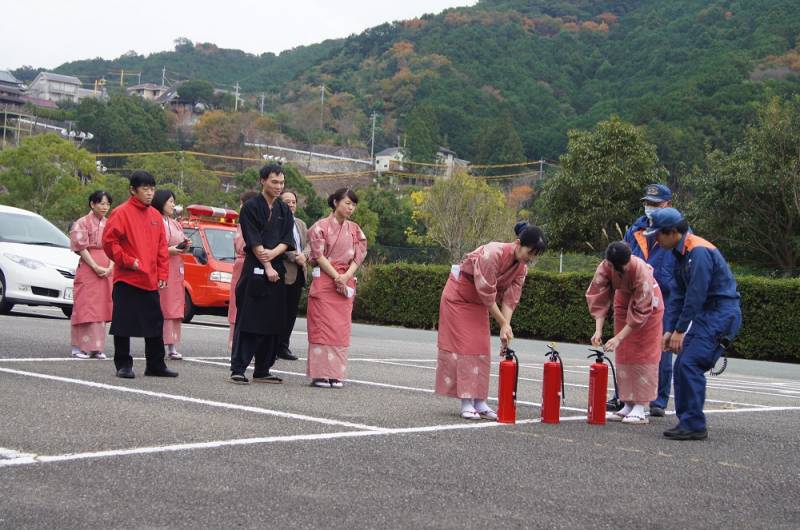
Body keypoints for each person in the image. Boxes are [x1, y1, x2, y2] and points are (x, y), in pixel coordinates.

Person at [647, 208, 742, 440]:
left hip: (721, 313)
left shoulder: (697, 251)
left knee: (689, 363)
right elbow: (678, 296)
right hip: (707, 315)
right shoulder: (679, 253)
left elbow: (696, 294)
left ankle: (694, 424)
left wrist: (680, 330)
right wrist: (669, 330)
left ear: (672, 233)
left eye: (658, 235)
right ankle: (688, 421)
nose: (656, 240)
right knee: (682, 365)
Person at [435, 223, 546, 420]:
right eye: (530, 252)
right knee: (467, 348)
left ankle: (480, 401)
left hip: (480, 303)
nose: (531, 258)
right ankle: (467, 402)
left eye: (535, 255)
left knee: (482, 348)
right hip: (459, 297)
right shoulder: (492, 253)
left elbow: (511, 299)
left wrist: (506, 326)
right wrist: (502, 323)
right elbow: (487, 293)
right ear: (518, 243)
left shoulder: (521, 268)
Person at [102, 171, 177, 379]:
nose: (150, 193)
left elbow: (162, 248)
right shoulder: (120, 212)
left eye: (152, 189)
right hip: (127, 278)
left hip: (150, 279)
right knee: (123, 323)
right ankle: (123, 365)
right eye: (145, 189)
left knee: (155, 323)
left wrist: (162, 273)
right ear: (132, 190)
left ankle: (155, 364)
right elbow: (109, 243)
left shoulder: (155, 215)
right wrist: (128, 261)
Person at [229, 164, 295, 385]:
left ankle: (263, 369)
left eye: (281, 183)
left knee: (273, 321)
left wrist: (273, 256)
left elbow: (287, 240)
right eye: (274, 182)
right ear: (262, 181)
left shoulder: (284, 210)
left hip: (276, 268)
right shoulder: (250, 207)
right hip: (255, 269)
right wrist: (267, 265)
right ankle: (238, 368)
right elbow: (253, 239)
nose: (278, 186)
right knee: (249, 320)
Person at [586, 242, 664, 425]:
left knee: (644, 353)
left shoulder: (640, 271)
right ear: (611, 264)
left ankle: (641, 406)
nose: (627, 267)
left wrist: (619, 337)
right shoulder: (605, 267)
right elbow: (599, 296)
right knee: (624, 353)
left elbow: (641, 312)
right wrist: (598, 331)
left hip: (648, 306)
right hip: (623, 298)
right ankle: (628, 403)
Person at [622, 183, 676, 417]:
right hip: (636, 295)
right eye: (647, 204)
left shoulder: (678, 232)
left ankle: (657, 400)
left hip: (666, 297)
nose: (650, 208)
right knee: (630, 347)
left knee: (659, 350)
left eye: (655, 204)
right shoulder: (635, 229)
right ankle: (626, 396)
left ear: (668, 205)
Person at [306, 188, 367, 389]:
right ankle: (320, 374)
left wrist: (346, 276)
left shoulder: (355, 229)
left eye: (353, 204)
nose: (351, 208)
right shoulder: (319, 227)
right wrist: (336, 276)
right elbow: (318, 255)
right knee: (322, 327)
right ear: (335, 203)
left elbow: (359, 255)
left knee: (340, 330)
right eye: (347, 203)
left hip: (345, 280)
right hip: (325, 280)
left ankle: (335, 374)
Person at [69, 190, 114, 359]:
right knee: (85, 304)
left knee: (101, 306)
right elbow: (80, 247)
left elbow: (114, 246)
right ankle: (78, 346)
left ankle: (96, 347)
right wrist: (95, 266)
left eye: (107, 204)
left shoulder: (109, 224)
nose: (105, 207)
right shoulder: (82, 222)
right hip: (89, 267)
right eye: (101, 203)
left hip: (106, 266)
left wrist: (110, 266)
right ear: (92, 204)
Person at [152, 189, 189, 361]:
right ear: (161, 202)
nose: (173, 205)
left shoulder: (174, 223)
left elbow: (180, 241)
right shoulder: (154, 221)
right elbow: (151, 247)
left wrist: (184, 245)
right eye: (170, 201)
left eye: (174, 202)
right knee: (163, 305)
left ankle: (172, 344)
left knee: (175, 305)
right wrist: (169, 250)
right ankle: (158, 341)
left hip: (176, 267)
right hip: (161, 265)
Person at [278, 190, 310, 361]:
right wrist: (293, 256)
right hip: (283, 273)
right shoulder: (276, 222)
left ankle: (284, 346)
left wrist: (303, 255)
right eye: (287, 201)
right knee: (278, 312)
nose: (291, 204)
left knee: (291, 313)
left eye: (293, 202)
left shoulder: (301, 224)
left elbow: (310, 244)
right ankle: (272, 347)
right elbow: (276, 246)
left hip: (299, 273)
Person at [227, 190, 259, 352]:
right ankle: (234, 339)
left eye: (242, 203)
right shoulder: (241, 224)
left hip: (250, 263)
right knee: (236, 302)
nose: (240, 207)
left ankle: (245, 343)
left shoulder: (255, 223)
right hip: (240, 264)